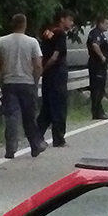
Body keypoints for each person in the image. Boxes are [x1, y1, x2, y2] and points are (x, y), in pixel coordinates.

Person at [0, 13, 44, 159]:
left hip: (9, 83)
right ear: (25, 24)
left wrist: (0, 81)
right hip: (27, 83)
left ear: (12, 24)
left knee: (11, 117)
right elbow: (38, 65)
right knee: (29, 117)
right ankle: (35, 145)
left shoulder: (1, 42)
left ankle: (10, 148)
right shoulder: (32, 42)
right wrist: (35, 82)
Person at [36, 10, 74, 147]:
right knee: (59, 106)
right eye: (69, 19)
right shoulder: (60, 33)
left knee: (47, 107)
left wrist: (42, 70)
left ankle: (36, 134)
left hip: (48, 76)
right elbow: (55, 55)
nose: (71, 23)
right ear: (62, 19)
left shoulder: (48, 32)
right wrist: (44, 69)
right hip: (57, 74)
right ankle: (58, 138)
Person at [85, 15, 108, 120]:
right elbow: (95, 45)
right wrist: (102, 56)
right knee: (97, 88)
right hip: (97, 65)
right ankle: (96, 112)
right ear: (100, 23)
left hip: (100, 65)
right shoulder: (95, 33)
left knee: (100, 88)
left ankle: (99, 110)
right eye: (106, 23)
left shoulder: (100, 34)